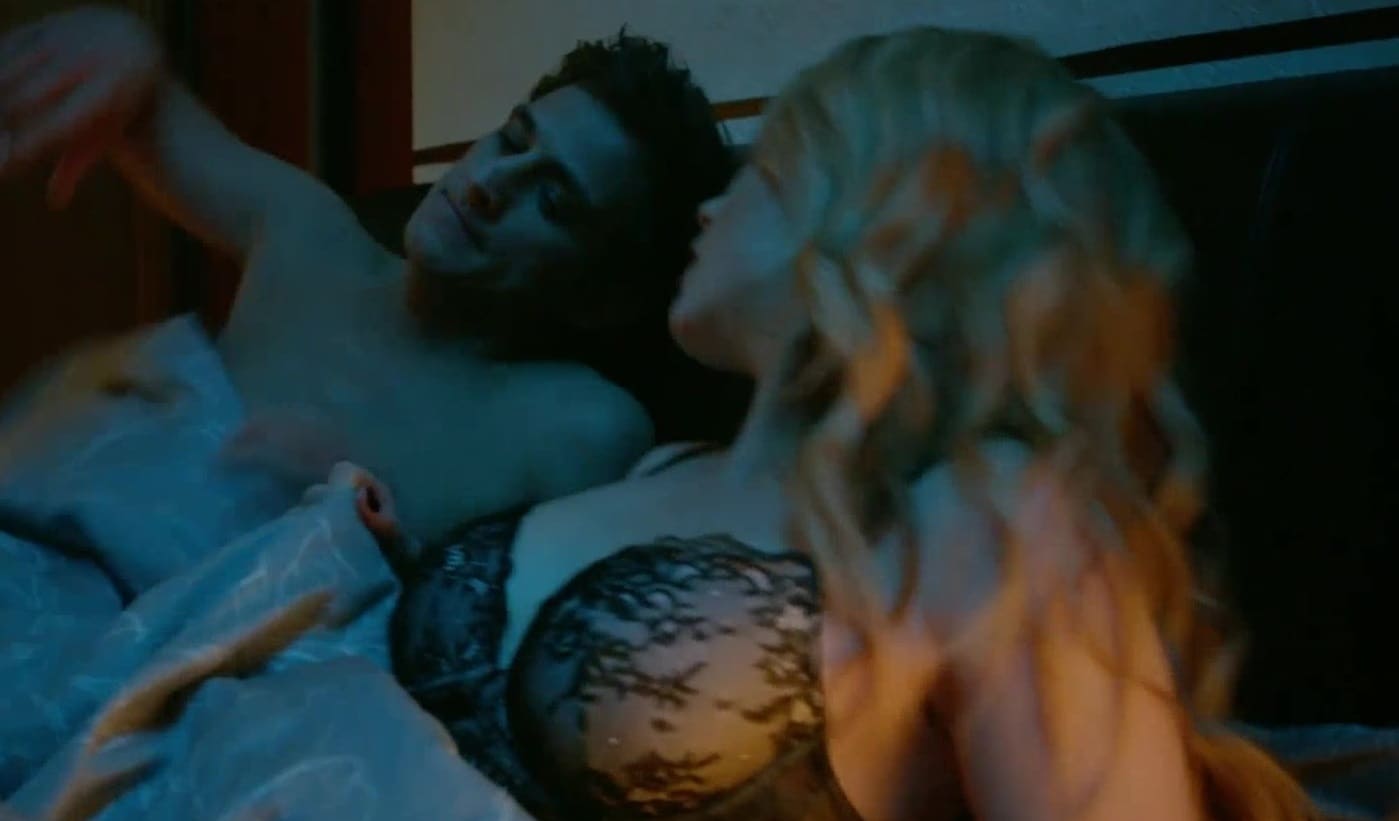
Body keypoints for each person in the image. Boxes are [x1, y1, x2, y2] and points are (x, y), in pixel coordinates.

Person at [361, 25, 1317, 821]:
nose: (709, 209)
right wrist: (408, 565)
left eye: (768, 169)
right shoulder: (664, 464)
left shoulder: (997, 517)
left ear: (884, 220)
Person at [0, 6, 735, 542]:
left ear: (603, 296)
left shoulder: (575, 423)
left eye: (552, 199)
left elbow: (515, 643)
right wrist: (122, 48)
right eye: (512, 140)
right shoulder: (312, 236)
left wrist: (366, 522)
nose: (489, 183)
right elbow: (148, 109)